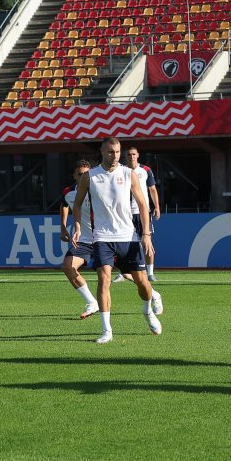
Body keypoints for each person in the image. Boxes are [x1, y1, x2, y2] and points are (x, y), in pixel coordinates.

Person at [72, 137, 163, 344]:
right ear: (102, 152)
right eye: (111, 152)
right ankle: (107, 331)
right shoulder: (90, 177)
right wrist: (77, 225)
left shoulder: (127, 173)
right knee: (104, 279)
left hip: (128, 237)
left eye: (118, 152)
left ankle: (148, 311)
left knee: (142, 283)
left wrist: (146, 234)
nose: (115, 156)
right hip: (102, 238)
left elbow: (142, 204)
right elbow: (77, 204)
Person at [59, 159, 101, 320]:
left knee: (129, 275)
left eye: (86, 174)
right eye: (80, 174)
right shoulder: (68, 192)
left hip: (104, 238)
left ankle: (153, 295)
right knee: (68, 267)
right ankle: (92, 302)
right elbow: (64, 205)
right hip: (83, 239)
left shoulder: (99, 190)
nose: (83, 176)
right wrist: (63, 227)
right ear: (74, 176)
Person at [123, 146, 162, 283]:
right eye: (129, 154)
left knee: (147, 242)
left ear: (138, 155)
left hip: (142, 212)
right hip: (125, 213)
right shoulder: (121, 170)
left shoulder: (145, 170)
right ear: (125, 156)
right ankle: (123, 272)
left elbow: (152, 189)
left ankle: (150, 272)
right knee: (123, 244)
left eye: (133, 154)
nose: (131, 156)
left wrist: (156, 206)